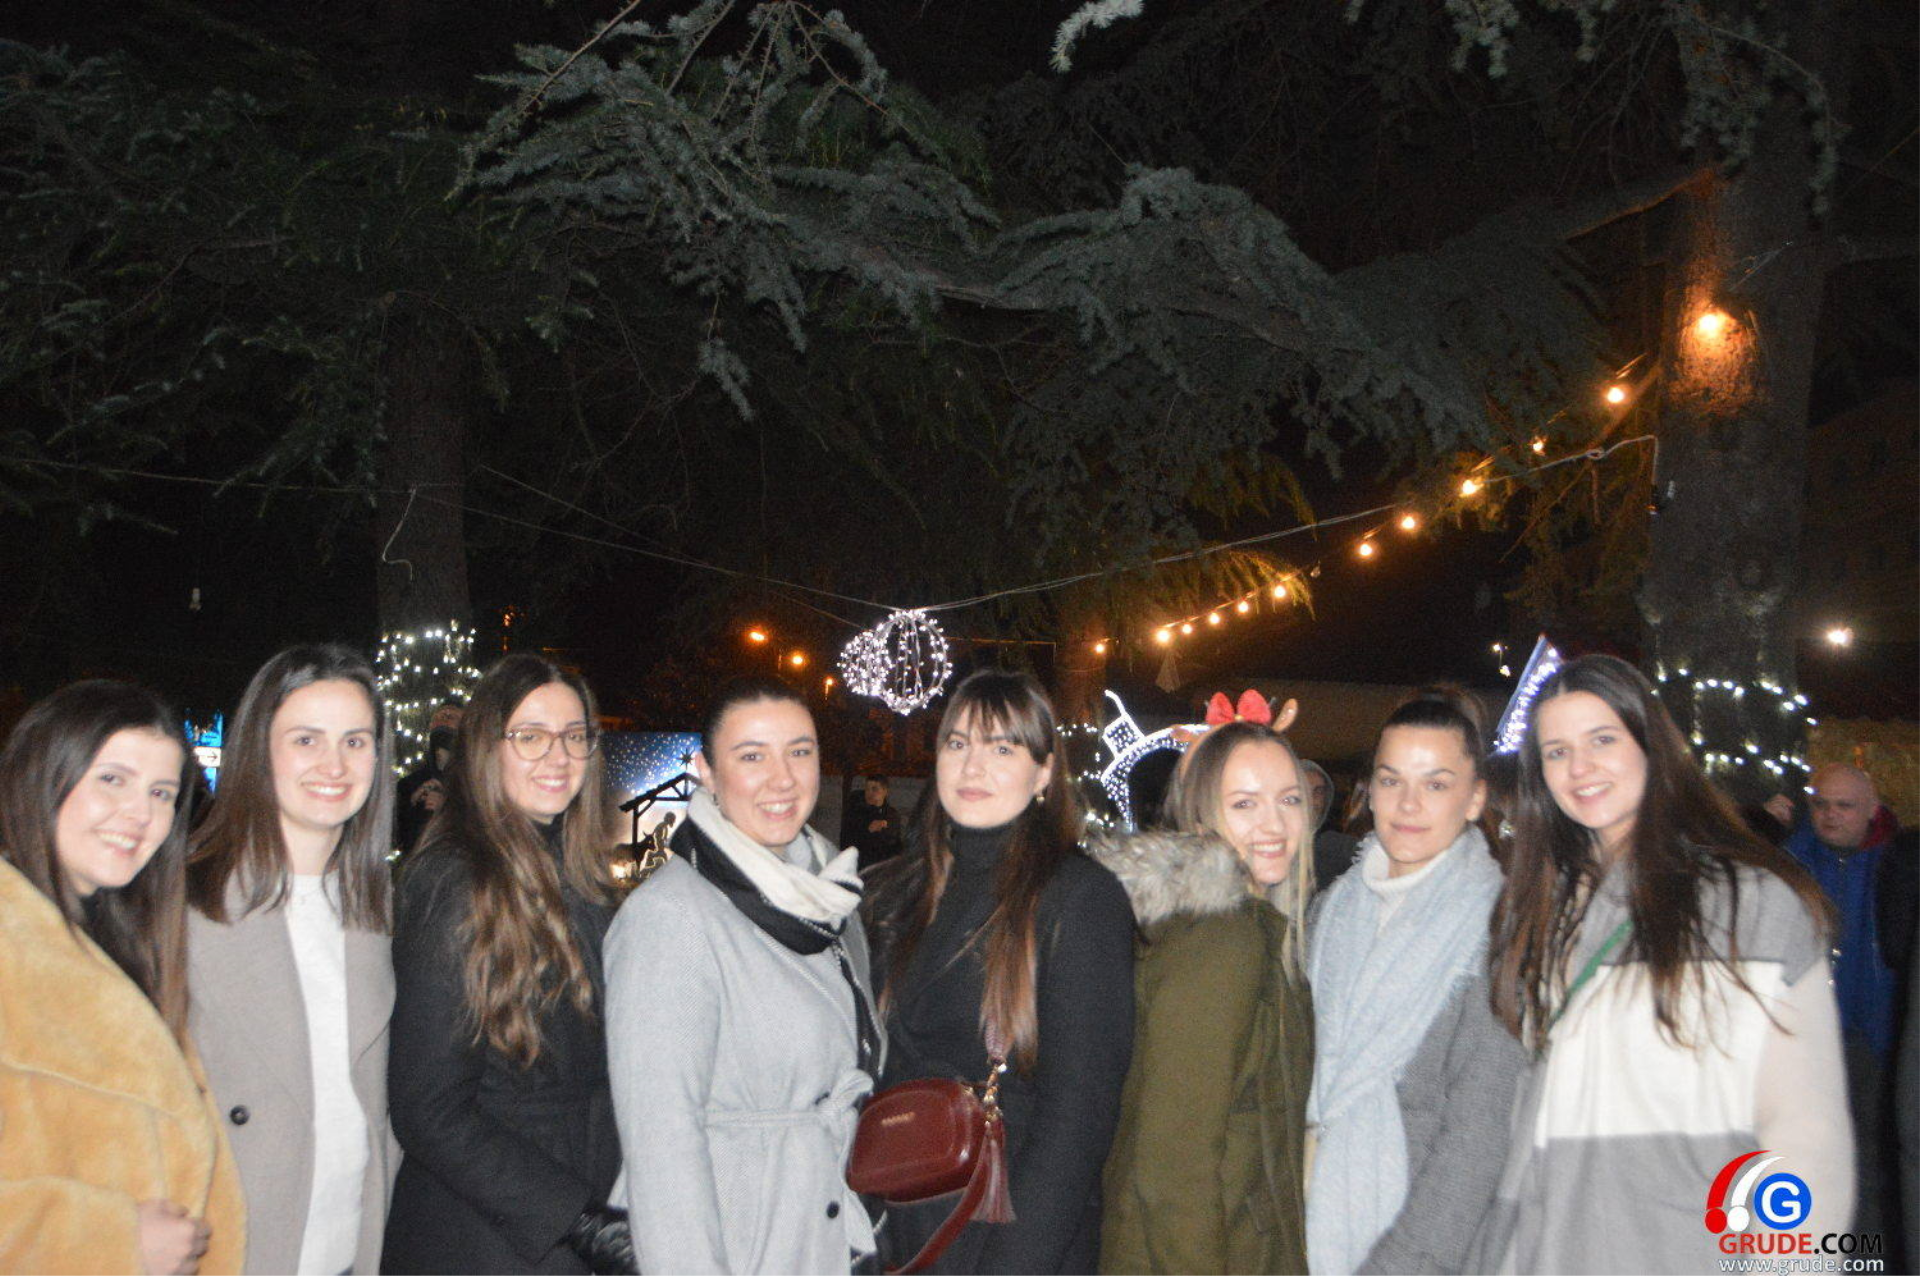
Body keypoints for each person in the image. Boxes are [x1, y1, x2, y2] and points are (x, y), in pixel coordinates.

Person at [1470, 655, 1852, 1270]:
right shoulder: (1541, 909)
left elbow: (1804, 1134)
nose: (1580, 767)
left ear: (1653, 748)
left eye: (1602, 739)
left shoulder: (1746, 905)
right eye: (1557, 751)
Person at [605, 676, 881, 1274]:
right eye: (752, 757)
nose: (783, 779)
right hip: (738, 1244)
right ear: (705, 771)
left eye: (799, 752)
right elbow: (660, 1145)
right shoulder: (671, 917)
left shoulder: (830, 897)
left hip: (821, 1234)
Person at [866, 668, 1135, 1274]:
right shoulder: (896, 894)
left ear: (1043, 773)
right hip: (896, 1227)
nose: (973, 766)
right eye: (957, 743)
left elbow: (1079, 1119)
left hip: (1007, 1236)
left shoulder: (1077, 898)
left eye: (1002, 748)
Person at [384, 655, 629, 1275]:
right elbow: (427, 1108)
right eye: (531, 736)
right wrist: (576, 1219)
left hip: (572, 1211)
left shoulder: (579, 876)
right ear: (485, 748)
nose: (558, 756)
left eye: (574, 736)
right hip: (487, 1232)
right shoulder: (456, 880)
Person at [0, 680, 245, 1275]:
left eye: (162, 793)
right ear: (43, 774)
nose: (141, 814)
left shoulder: (127, 944)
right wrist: (108, 1241)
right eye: (112, 779)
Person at [186, 645, 399, 1276]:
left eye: (355, 741)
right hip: (233, 1246)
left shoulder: (379, 908)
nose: (334, 765)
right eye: (307, 739)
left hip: (351, 1247)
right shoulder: (184, 902)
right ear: (259, 750)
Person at [1304, 688, 1525, 1275]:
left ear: (1474, 798)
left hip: (1416, 1243)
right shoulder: (1330, 911)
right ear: (1370, 790)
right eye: (1391, 780)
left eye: (1435, 784)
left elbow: (1476, 1140)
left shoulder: (1495, 934)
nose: (1408, 803)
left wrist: (1403, 1264)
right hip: (1305, 1218)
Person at [1092, 705, 1313, 1274]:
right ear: (1197, 816)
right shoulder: (1223, 940)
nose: (1274, 824)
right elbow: (1173, 1166)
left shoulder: (1234, 924)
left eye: (1289, 799)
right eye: (1244, 804)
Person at [1782, 762, 1906, 1249]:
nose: (1830, 815)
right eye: (1821, 804)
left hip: (1875, 1035)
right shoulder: (1790, 863)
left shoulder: (1896, 864)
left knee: (1872, 1156)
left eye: (1844, 806)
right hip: (1807, 1037)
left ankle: (1864, 1254)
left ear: (1872, 810)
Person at [395, 703, 463, 854]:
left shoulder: (475, 784)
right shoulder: (409, 784)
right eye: (438, 717)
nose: (443, 721)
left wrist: (446, 810)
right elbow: (396, 837)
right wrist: (411, 804)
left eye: (450, 716)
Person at [1302, 758, 1361, 891]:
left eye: (1318, 792)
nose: (1312, 801)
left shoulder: (1334, 847)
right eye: (1303, 790)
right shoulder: (1268, 847)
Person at [840, 775, 904, 868]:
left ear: (885, 791)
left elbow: (895, 843)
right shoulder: (855, 814)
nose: (869, 793)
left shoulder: (892, 815)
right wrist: (868, 831)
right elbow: (846, 842)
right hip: (861, 867)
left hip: (883, 868)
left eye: (874, 789)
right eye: (867, 789)